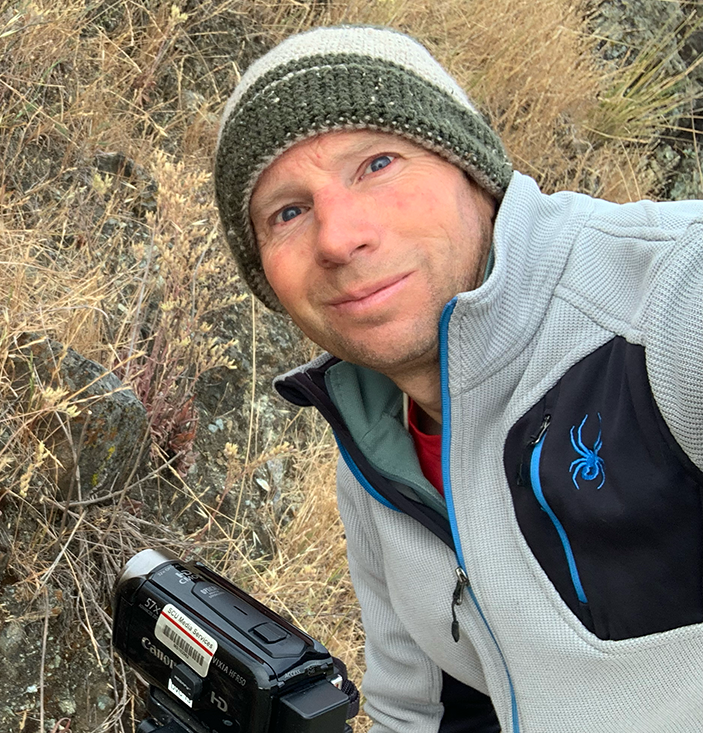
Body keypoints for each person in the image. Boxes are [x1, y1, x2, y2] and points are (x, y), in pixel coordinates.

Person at [213, 25, 703, 733]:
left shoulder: (667, 300)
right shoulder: (373, 442)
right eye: (288, 212)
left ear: (473, 169)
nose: (337, 237)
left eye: (378, 163)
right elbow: (419, 709)